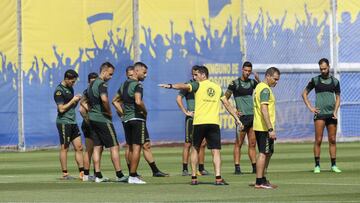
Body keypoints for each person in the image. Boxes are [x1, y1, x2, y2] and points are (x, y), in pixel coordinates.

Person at [159, 65, 241, 185]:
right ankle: (218, 178)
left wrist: (171, 86)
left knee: (195, 148)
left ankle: (193, 177)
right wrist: (236, 118)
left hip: (199, 122)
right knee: (216, 151)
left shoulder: (198, 85)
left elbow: (184, 86)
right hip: (213, 123)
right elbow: (227, 104)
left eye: (196, 75)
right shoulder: (217, 87)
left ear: (203, 75)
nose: (194, 77)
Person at [112, 65, 168, 182]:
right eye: (144, 72)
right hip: (137, 118)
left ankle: (134, 174)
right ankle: (133, 176)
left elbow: (115, 101)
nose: (145, 75)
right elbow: (138, 101)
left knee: (131, 148)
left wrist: (123, 114)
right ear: (136, 71)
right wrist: (145, 111)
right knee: (137, 147)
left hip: (127, 120)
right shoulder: (138, 85)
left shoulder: (123, 85)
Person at [87, 62, 127, 183]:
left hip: (92, 118)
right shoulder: (102, 84)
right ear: (104, 71)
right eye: (110, 74)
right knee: (114, 146)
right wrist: (108, 111)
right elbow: (104, 99)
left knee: (97, 147)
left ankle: (98, 175)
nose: (110, 77)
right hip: (102, 118)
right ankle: (119, 175)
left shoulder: (91, 84)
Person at [302, 58, 341, 173]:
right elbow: (304, 94)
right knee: (318, 140)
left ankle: (333, 165)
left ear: (329, 67)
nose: (323, 71)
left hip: (331, 115)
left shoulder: (335, 81)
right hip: (320, 115)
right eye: (321, 69)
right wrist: (311, 108)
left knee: (332, 140)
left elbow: (338, 97)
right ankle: (317, 165)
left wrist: (335, 111)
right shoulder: (315, 80)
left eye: (325, 68)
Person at [225, 61, 259, 174]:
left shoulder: (253, 83)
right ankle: (237, 167)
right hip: (241, 118)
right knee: (238, 143)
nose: (247, 73)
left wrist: (258, 79)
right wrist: (234, 110)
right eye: (246, 70)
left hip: (252, 116)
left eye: (249, 71)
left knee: (252, 143)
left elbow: (263, 90)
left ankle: (255, 167)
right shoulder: (234, 84)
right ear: (242, 70)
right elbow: (225, 98)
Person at [176, 66, 209, 176]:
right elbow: (178, 98)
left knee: (203, 143)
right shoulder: (188, 85)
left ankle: (201, 168)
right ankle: (185, 169)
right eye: (193, 74)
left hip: (202, 117)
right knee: (188, 143)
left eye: (196, 74)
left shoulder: (204, 85)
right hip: (192, 118)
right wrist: (185, 111)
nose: (194, 76)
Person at [53, 69, 84, 180]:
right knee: (65, 147)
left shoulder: (70, 88)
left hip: (73, 121)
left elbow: (70, 107)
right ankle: (65, 174)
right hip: (64, 122)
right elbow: (61, 109)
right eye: (72, 81)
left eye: (74, 81)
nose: (73, 83)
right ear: (66, 79)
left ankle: (82, 173)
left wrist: (76, 101)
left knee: (79, 147)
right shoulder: (59, 91)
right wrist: (72, 101)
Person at [253, 67, 280, 189]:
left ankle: (263, 178)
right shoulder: (264, 89)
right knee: (263, 153)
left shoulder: (259, 86)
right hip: (264, 127)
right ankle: (259, 181)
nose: (276, 82)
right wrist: (270, 129)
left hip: (261, 126)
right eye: (275, 79)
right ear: (268, 76)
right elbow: (264, 109)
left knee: (268, 152)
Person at [79, 72, 99, 181]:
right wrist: (89, 119)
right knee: (96, 148)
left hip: (87, 124)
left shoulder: (86, 91)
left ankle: (86, 175)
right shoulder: (91, 92)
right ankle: (96, 174)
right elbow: (81, 109)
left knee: (88, 150)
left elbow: (81, 107)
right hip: (92, 124)